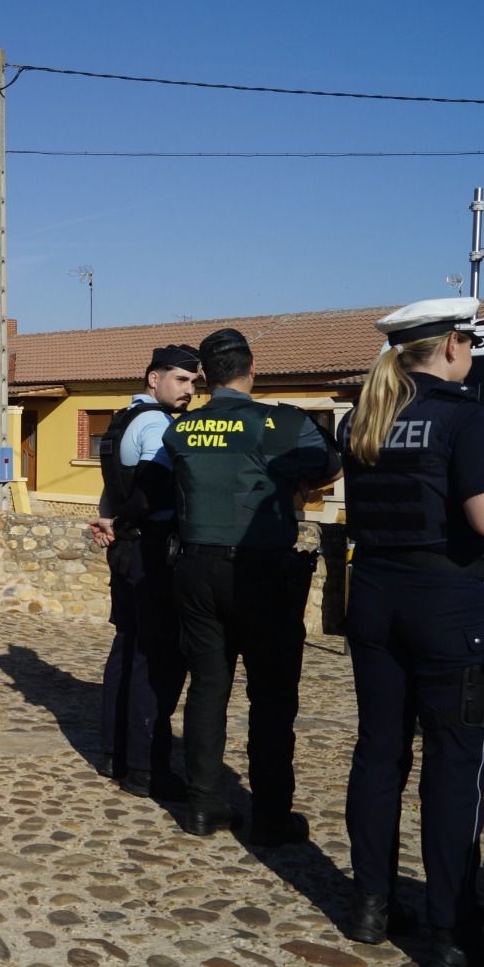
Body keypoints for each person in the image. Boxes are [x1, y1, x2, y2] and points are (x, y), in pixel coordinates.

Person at [339, 298, 484, 967]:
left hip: (373, 601)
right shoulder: (463, 415)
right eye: (470, 343)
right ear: (452, 344)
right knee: (454, 768)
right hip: (446, 606)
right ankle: (452, 936)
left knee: (379, 752)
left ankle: (371, 904)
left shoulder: (365, 417)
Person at [162, 327, 341, 841]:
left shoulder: (182, 430)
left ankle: (202, 807)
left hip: (195, 571)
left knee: (207, 689)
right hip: (262, 572)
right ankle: (270, 816)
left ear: (204, 377)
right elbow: (329, 462)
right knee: (271, 696)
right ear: (251, 370)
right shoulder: (282, 423)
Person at [89, 344, 200, 799]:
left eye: (195, 383)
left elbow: (113, 488)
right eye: (182, 380)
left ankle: (115, 753)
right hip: (152, 550)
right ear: (154, 379)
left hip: (126, 550)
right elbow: (153, 490)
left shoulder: (121, 421)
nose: (190, 391)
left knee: (128, 648)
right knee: (154, 659)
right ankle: (145, 768)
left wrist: (109, 519)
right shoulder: (156, 424)